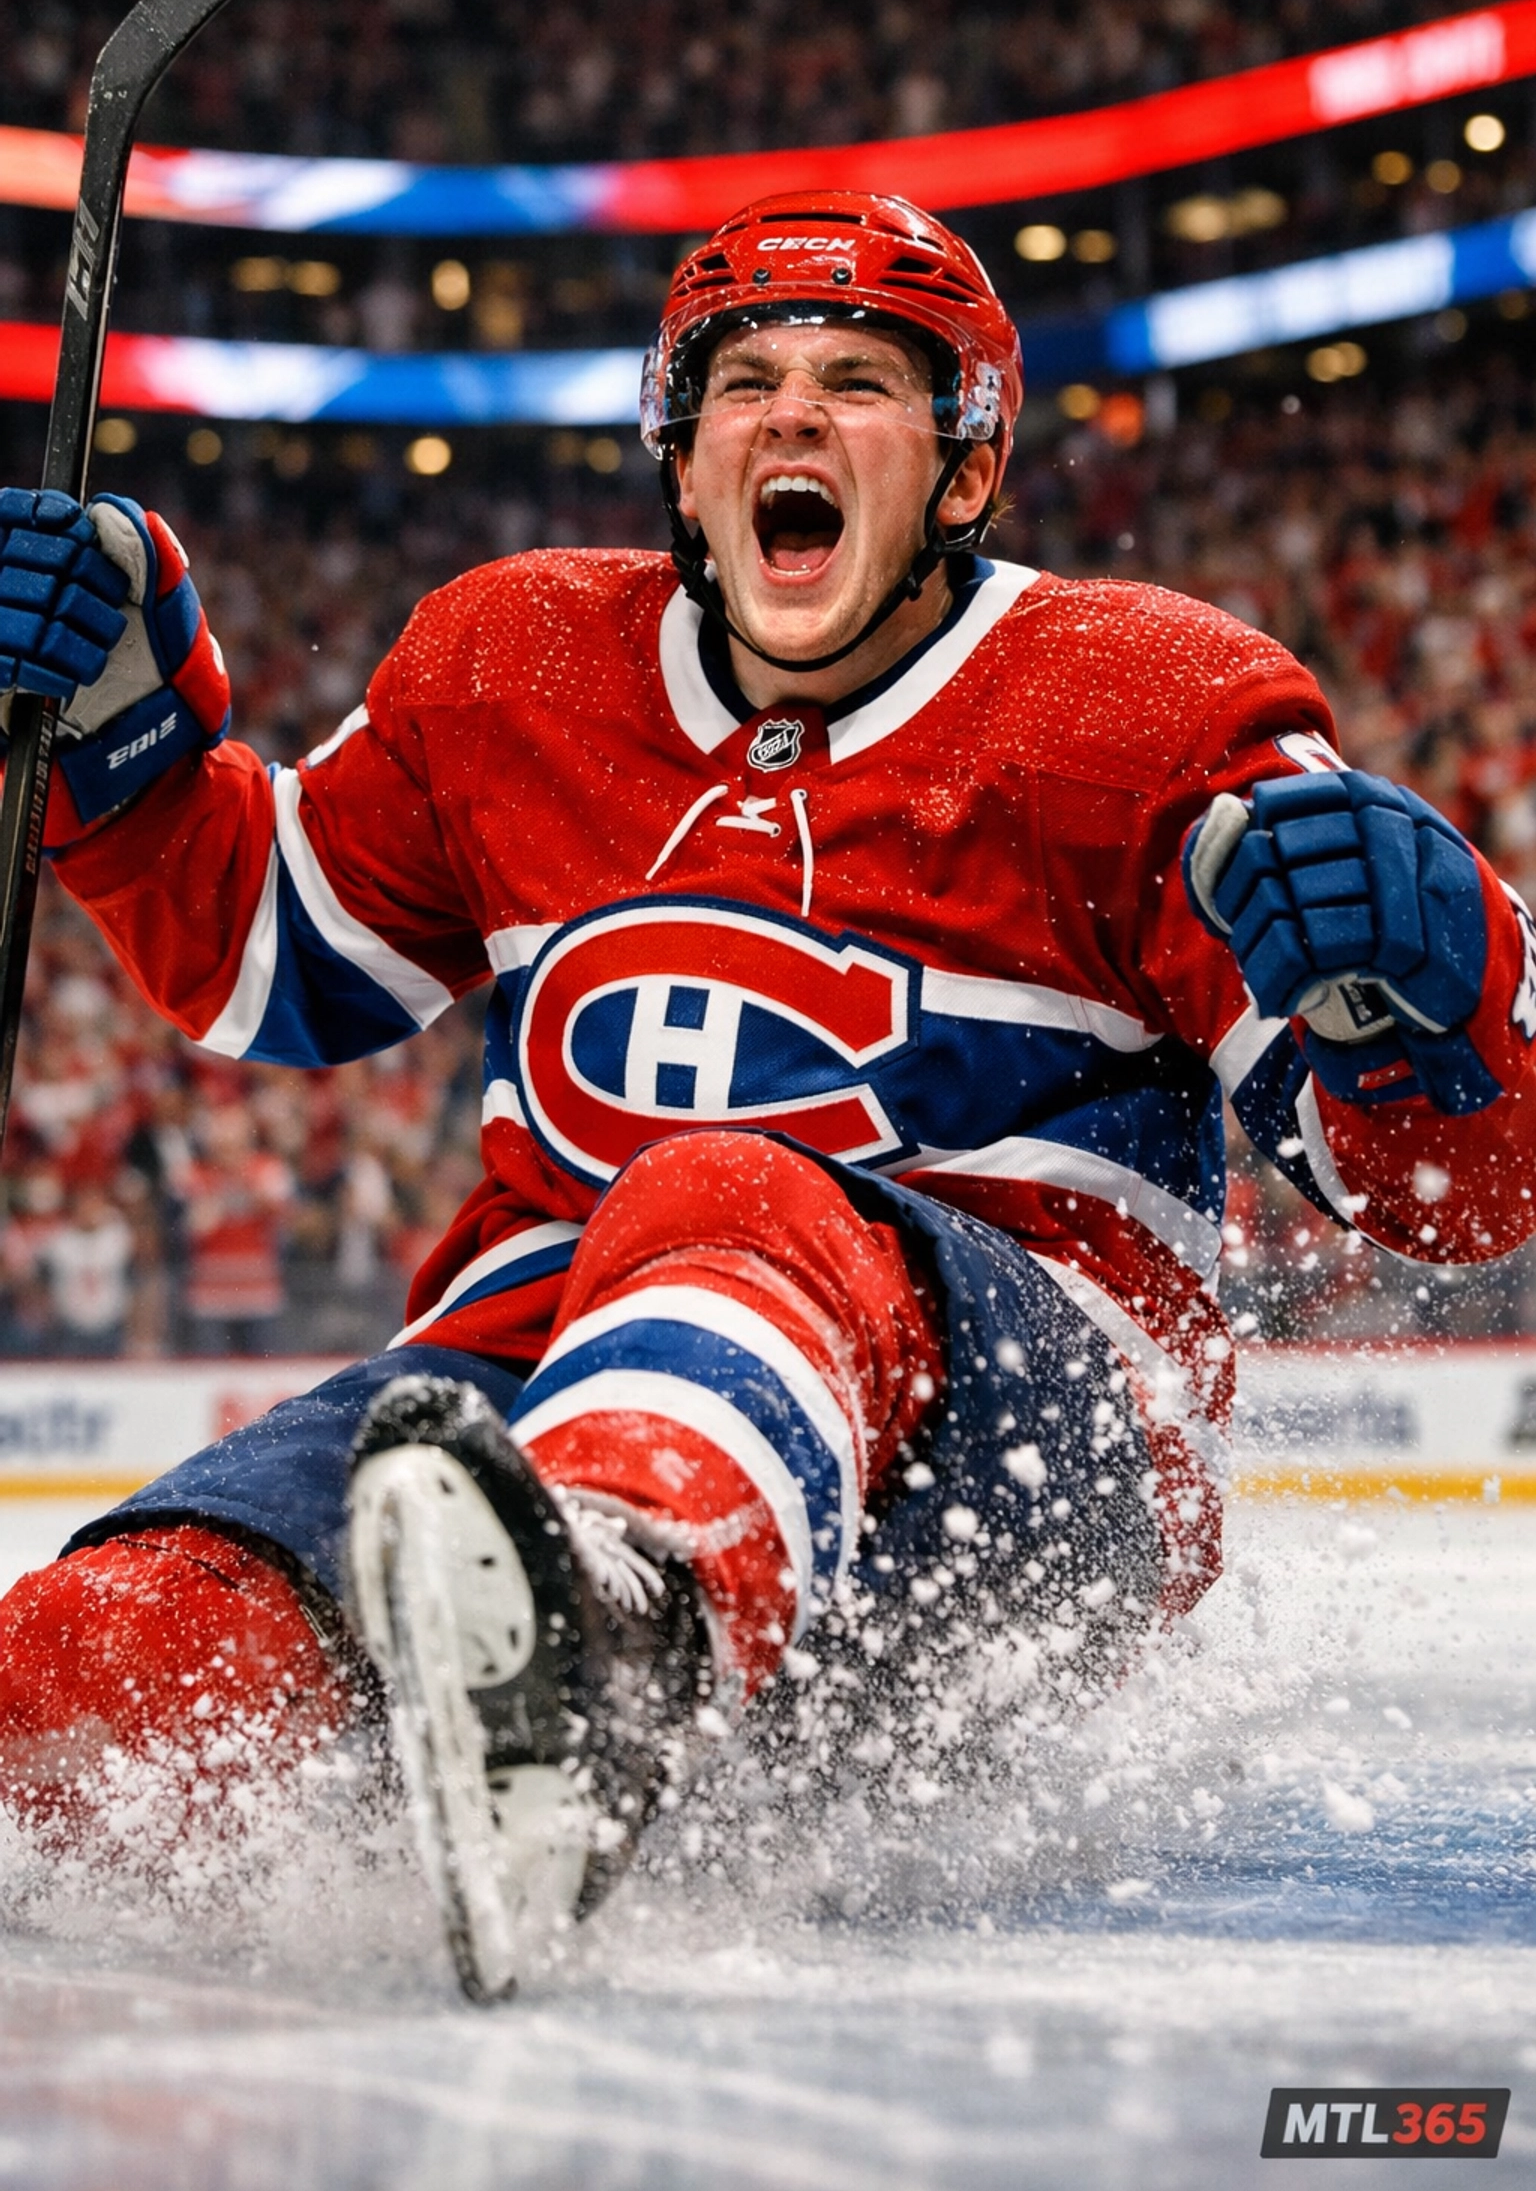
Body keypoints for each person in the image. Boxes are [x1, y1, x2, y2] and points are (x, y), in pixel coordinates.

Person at [0, 189, 1533, 1998]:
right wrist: (120, 728)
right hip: (564, 1341)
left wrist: (1439, 989)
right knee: (91, 1664)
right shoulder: (510, 664)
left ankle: (618, 1647)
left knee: (723, 1189)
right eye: (746, 381)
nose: (792, 414)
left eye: (861, 380)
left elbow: (1447, 1197)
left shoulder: (1152, 707)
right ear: (680, 446)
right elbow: (272, 954)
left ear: (964, 473)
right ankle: (526, 1653)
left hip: (1033, 1444)